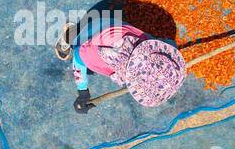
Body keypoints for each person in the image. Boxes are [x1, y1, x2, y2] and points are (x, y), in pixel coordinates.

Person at [55, 12, 186, 113]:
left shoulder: (151, 46)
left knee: (149, 37)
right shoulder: (93, 54)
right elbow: (78, 60)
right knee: (76, 42)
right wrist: (82, 90)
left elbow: (170, 44)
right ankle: (67, 36)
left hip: (113, 25)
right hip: (89, 34)